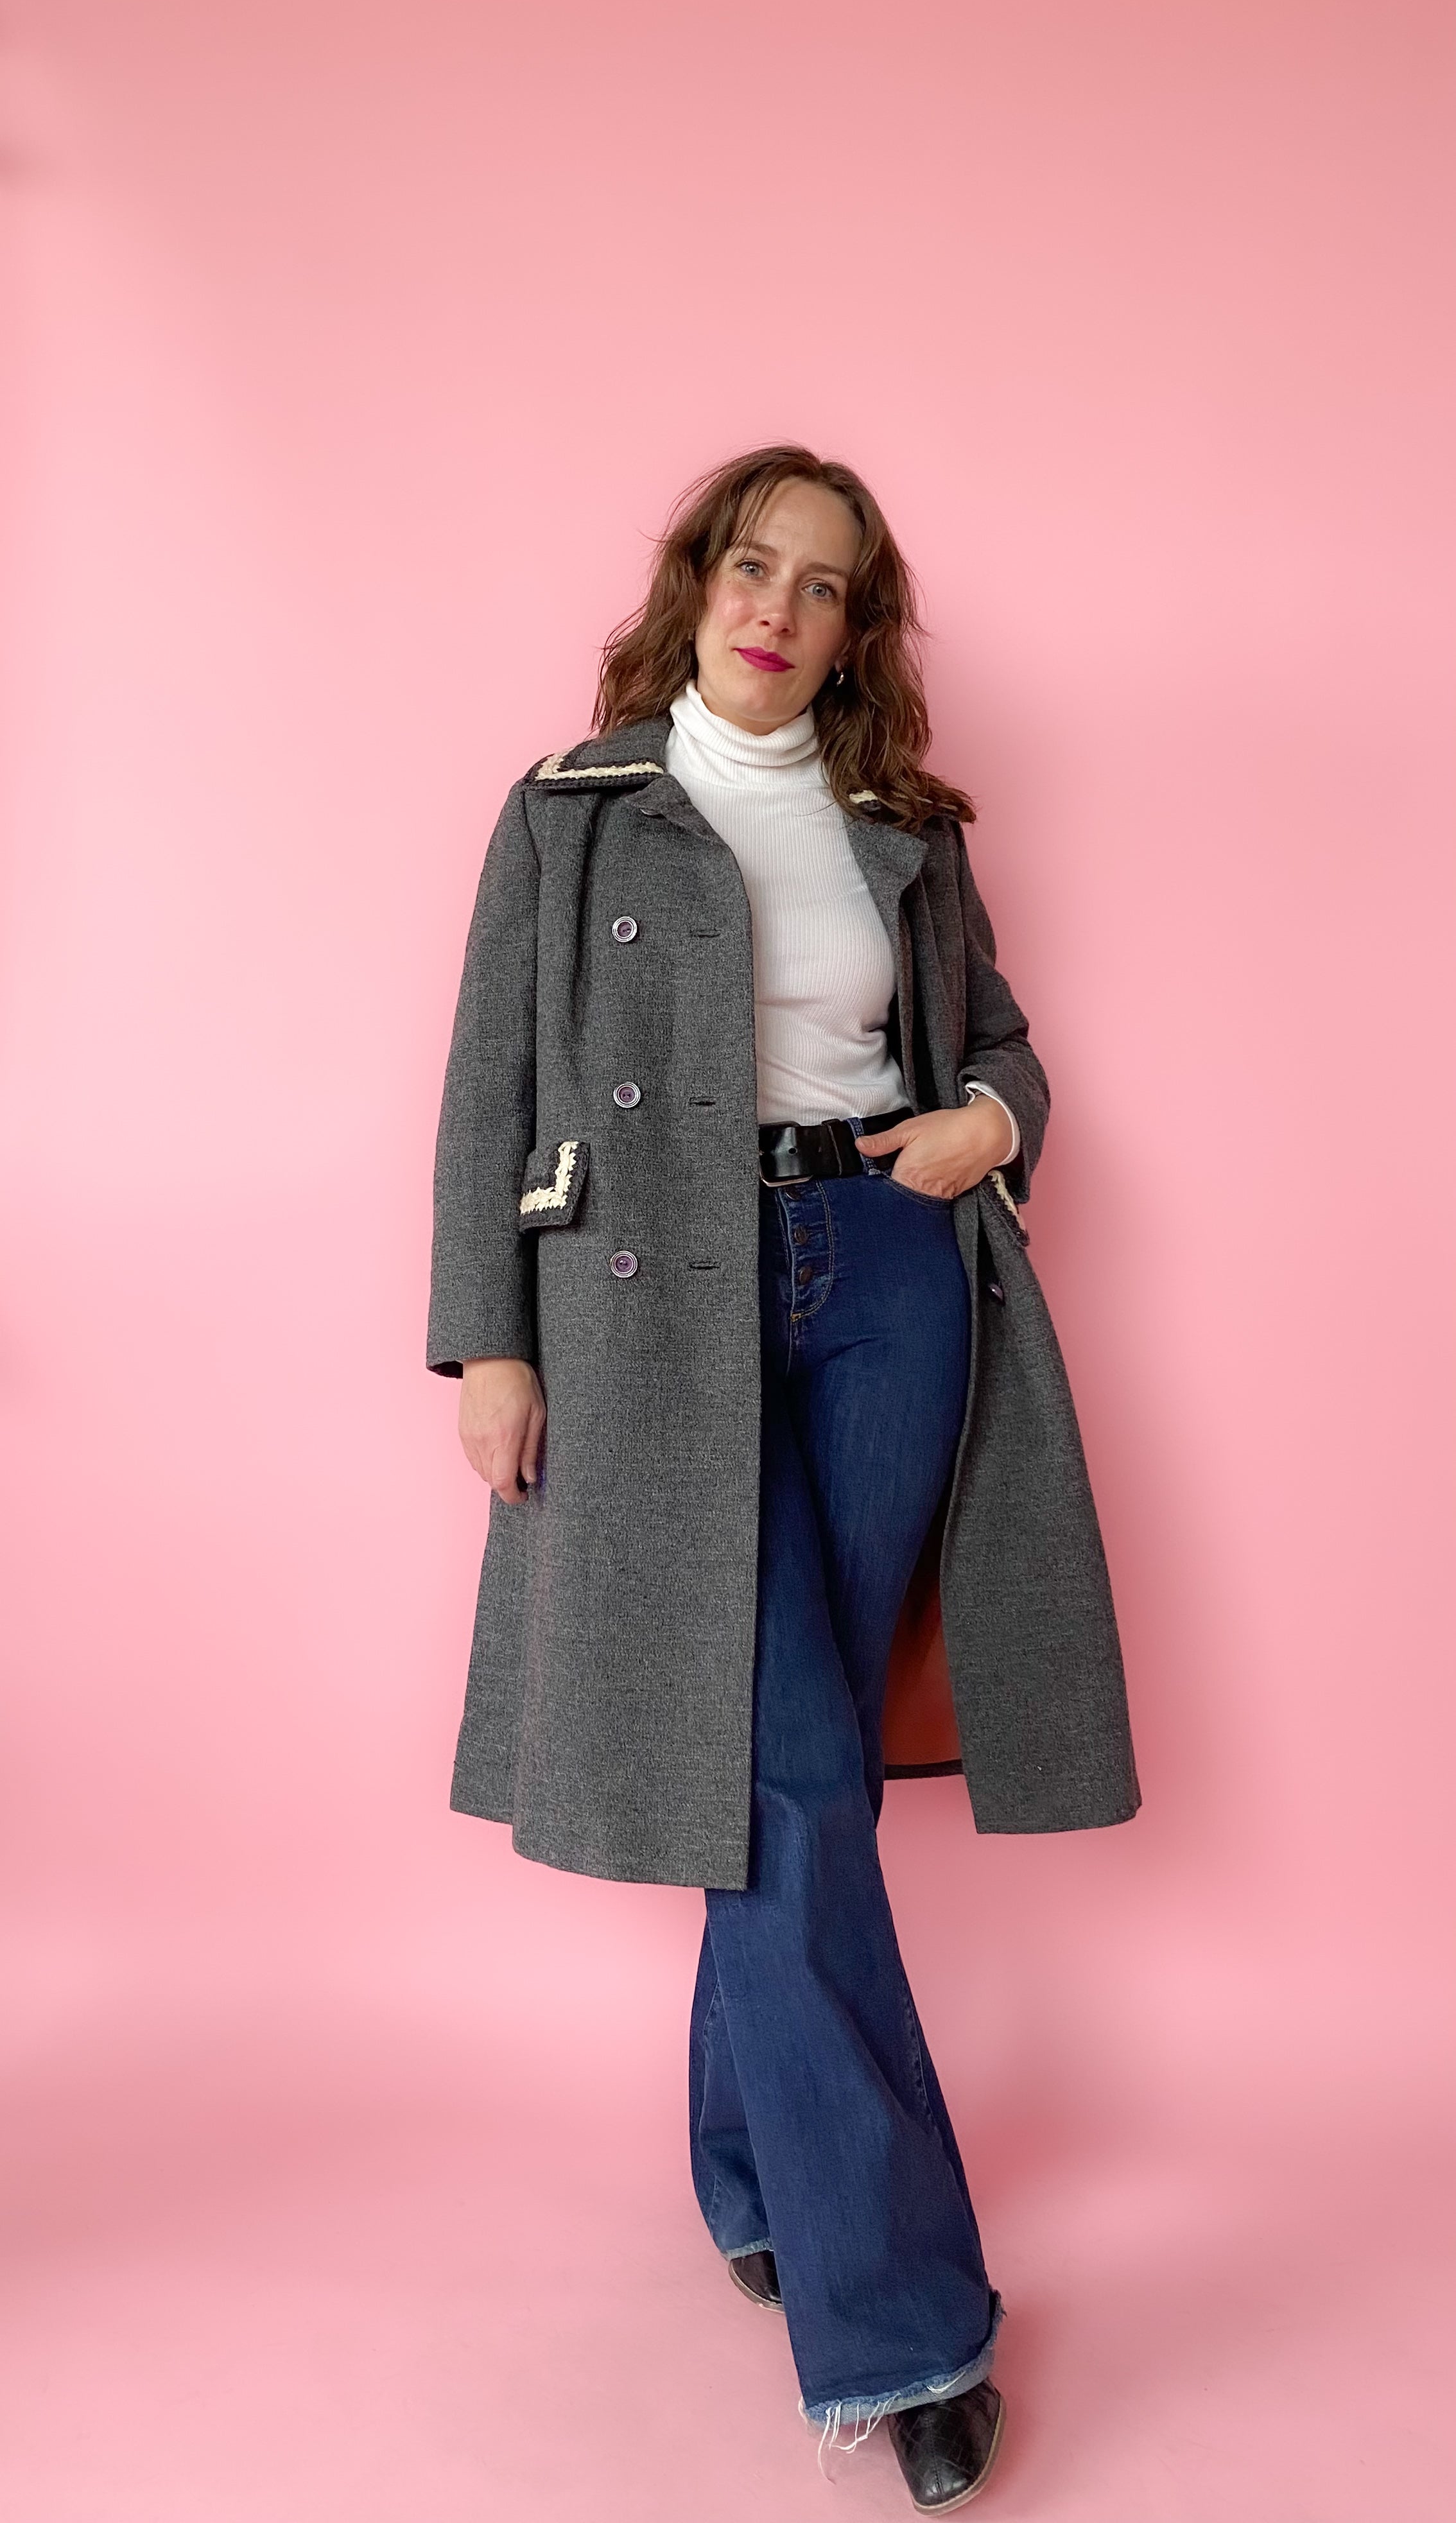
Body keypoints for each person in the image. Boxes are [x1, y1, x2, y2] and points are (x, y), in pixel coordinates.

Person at [428, 444, 1139, 2513]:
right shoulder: (574, 805)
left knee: (798, 1775)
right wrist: (489, 1340)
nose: (778, 610)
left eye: (823, 588)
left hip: (886, 1282)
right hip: (657, 1315)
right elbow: (490, 1081)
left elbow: (997, 1043)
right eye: (754, 566)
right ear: (698, 584)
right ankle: (901, 2325)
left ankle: (747, 2167)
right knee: (790, 1779)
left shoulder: (902, 824)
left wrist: (986, 1126)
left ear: (854, 633)